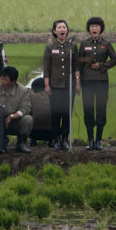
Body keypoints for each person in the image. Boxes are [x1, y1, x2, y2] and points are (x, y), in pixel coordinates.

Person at [77, 16, 116, 151]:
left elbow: (114, 59)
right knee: (88, 109)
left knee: (101, 109)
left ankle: (99, 140)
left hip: (101, 81)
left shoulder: (106, 44)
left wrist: (101, 65)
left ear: (101, 29)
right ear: (89, 29)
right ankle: (90, 140)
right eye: (92, 26)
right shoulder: (83, 44)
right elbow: (79, 64)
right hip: (87, 81)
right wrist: (79, 82)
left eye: (97, 26)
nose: (94, 28)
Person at [43, 19, 78, 151]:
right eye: (59, 28)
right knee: (56, 114)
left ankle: (65, 139)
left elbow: (76, 66)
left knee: (67, 114)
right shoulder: (50, 47)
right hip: (55, 86)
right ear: (54, 31)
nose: (62, 29)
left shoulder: (72, 46)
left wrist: (78, 82)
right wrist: (47, 84)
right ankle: (56, 140)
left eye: (64, 27)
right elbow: (46, 68)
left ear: (67, 30)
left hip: (70, 86)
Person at [0, 65, 33, 153]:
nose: (2, 82)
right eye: (1, 78)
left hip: (14, 121)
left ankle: (21, 143)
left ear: (13, 81)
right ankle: (0, 141)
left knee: (28, 119)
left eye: (5, 80)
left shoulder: (23, 91)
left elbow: (25, 109)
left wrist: (11, 117)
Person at [28, 77, 54, 146]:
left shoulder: (30, 96)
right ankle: (52, 141)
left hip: (34, 132)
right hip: (50, 132)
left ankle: (32, 141)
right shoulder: (51, 96)